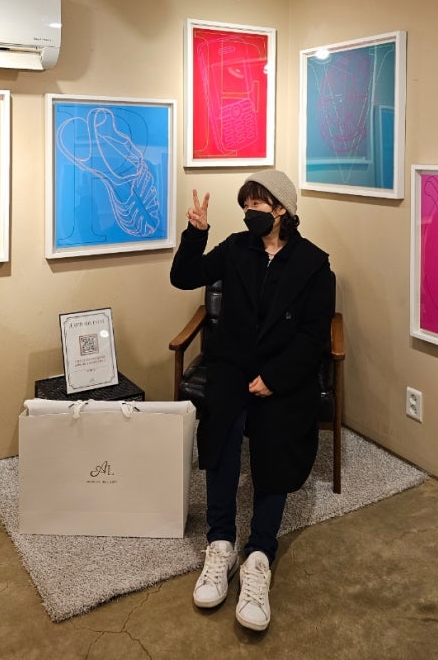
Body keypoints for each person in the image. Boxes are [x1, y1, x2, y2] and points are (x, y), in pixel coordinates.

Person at [170, 169, 333, 632]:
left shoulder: (313, 265)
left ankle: (259, 554)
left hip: (283, 376)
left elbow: (313, 337)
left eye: (257, 204)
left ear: (281, 209)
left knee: (275, 446)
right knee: (221, 438)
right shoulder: (236, 248)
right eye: (245, 205)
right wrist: (196, 234)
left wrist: (275, 378)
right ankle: (220, 544)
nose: (248, 212)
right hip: (232, 367)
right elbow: (184, 277)